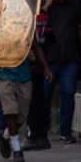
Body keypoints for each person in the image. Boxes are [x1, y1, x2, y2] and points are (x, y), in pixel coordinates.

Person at [43, 0, 81, 143]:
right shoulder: (46, 5)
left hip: (70, 59)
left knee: (68, 94)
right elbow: (36, 25)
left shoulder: (75, 6)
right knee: (45, 94)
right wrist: (46, 6)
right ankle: (41, 131)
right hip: (49, 60)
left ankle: (66, 132)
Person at [0, 43, 50, 162]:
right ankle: (17, 150)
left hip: (23, 75)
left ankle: (5, 135)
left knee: (22, 114)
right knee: (11, 111)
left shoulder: (26, 30)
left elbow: (35, 46)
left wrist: (46, 67)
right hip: (3, 73)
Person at [24, 10, 54, 150]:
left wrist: (45, 67)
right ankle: (40, 137)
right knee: (38, 103)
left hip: (30, 71)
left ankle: (35, 136)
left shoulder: (25, 22)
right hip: (34, 69)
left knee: (33, 105)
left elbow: (35, 46)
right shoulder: (29, 21)